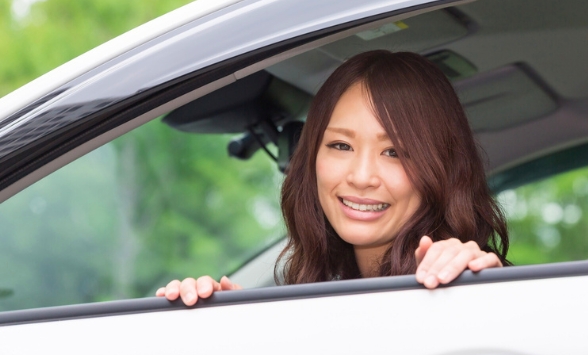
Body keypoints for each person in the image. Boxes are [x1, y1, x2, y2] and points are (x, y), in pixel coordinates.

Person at [157, 50, 509, 306]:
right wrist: (230, 319)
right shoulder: (324, 294)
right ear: (310, 157)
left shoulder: (464, 283)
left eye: (395, 152)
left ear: (441, 167)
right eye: (341, 145)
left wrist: (486, 290)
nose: (362, 176)